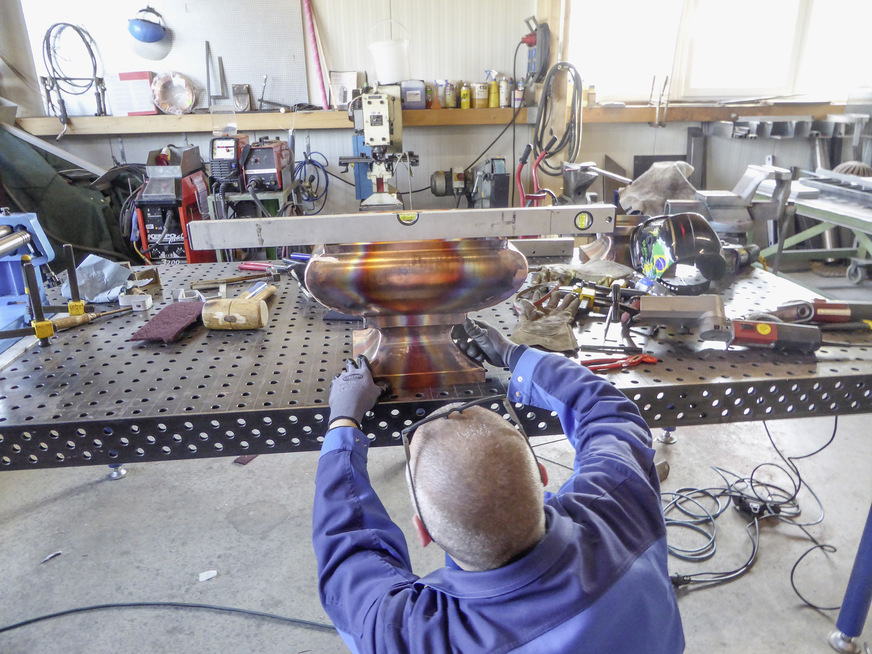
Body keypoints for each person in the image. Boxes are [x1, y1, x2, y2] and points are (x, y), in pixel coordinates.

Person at [313, 318, 685, 653]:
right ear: (541, 476)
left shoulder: (414, 635)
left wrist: (344, 420)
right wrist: (515, 355)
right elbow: (609, 413)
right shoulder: (621, 506)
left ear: (422, 531)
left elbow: (347, 550)